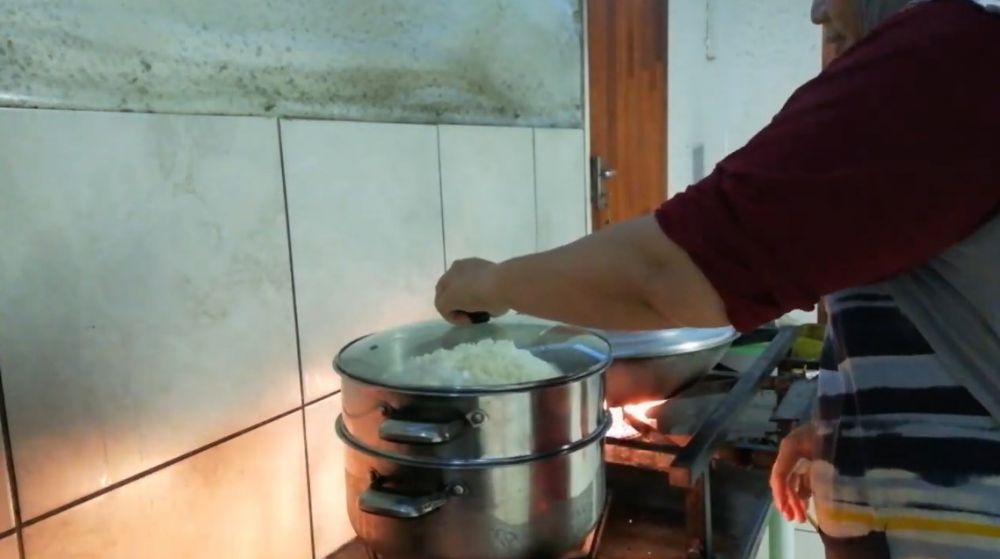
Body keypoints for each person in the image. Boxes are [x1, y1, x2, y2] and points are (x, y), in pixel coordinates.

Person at [434, 0, 1000, 557]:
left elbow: (667, 273)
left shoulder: (948, 58)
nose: (816, 11)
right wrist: (835, 425)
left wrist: (492, 282)